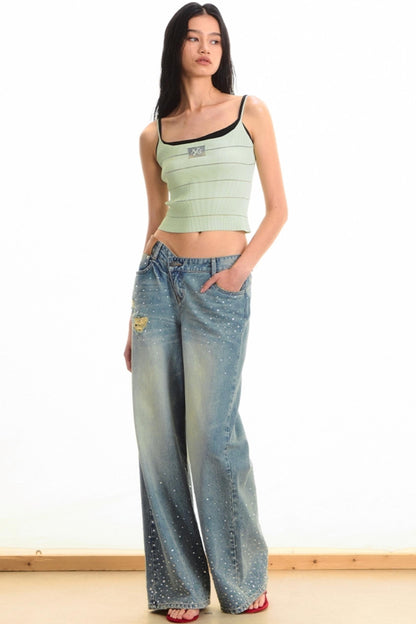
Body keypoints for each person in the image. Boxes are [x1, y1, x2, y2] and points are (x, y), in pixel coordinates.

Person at [124, 3, 288, 622]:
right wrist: (132, 318)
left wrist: (240, 272)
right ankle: (178, 587)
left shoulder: (250, 111)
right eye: (193, 38)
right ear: (177, 48)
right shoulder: (154, 134)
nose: (204, 48)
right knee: (157, 440)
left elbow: (278, 208)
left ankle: (241, 580)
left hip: (220, 282)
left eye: (214, 39)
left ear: (223, 49)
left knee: (213, 438)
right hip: (157, 282)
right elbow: (153, 221)